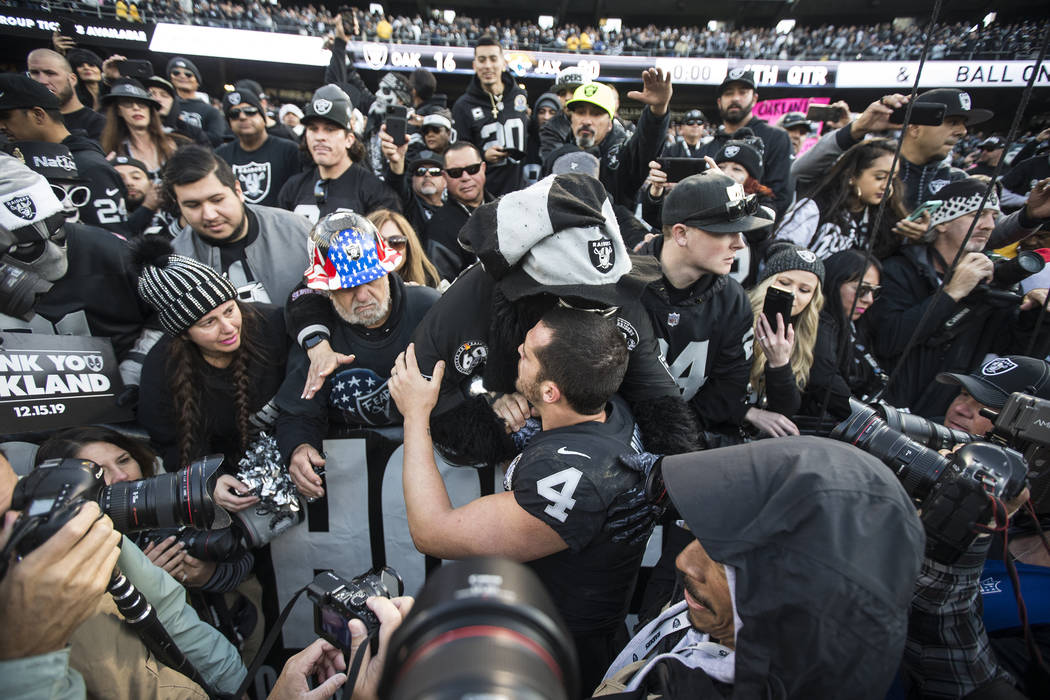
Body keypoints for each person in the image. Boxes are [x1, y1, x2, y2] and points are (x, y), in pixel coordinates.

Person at [277, 439, 927, 699]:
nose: (687, 563)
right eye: (699, 536)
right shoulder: (735, 623)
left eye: (730, 558)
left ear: (799, 601)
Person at [389, 307, 648, 692]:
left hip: (558, 661)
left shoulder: (570, 480)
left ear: (550, 391)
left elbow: (431, 531)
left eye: (526, 354)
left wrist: (415, 414)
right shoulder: (609, 408)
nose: (515, 354)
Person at [409, 173, 698, 468]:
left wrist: (670, 486)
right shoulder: (474, 298)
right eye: (577, 299)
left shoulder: (619, 294)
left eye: (604, 301)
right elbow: (423, 389)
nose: (596, 311)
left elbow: (659, 402)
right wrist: (488, 399)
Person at [0, 451, 248, 699]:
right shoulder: (23, 643)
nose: (16, 522)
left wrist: (236, 685)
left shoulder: (58, 519)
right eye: (1, 521)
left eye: (19, 504)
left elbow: (171, 614)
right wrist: (29, 654)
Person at [276, 211, 440, 499]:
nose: (363, 296)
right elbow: (297, 412)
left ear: (387, 271)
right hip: (353, 491)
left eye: (371, 279)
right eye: (348, 286)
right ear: (326, 291)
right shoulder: (319, 336)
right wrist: (300, 447)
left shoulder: (429, 309)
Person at [865, 177, 1050, 418]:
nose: (988, 226)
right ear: (942, 223)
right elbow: (889, 341)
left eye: (993, 218)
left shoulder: (990, 280)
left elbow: (1013, 350)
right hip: (889, 411)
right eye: (978, 215)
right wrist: (951, 293)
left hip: (947, 417)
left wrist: (1037, 316)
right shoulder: (898, 269)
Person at [0, 155, 157, 386]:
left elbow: (168, 310)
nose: (53, 254)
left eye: (56, 232)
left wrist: (136, 366)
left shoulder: (106, 248)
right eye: (24, 245)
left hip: (119, 398)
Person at [134, 237, 288, 472]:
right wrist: (209, 481)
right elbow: (172, 444)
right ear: (184, 334)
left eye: (229, 310)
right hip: (232, 474)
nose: (228, 327)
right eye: (208, 323)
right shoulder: (161, 371)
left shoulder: (272, 325)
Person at [793, 89, 991, 211]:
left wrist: (1023, 219)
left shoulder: (957, 181)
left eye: (963, 124)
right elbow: (799, 172)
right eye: (952, 122)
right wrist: (858, 128)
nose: (962, 132)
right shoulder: (865, 165)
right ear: (914, 127)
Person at [165, 144, 312, 304]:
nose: (209, 215)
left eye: (217, 200)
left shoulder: (298, 231)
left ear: (238, 190)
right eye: (193, 205)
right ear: (178, 205)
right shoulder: (176, 262)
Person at [0, 73, 129, 234]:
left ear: (38, 115)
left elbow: (115, 242)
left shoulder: (89, 166)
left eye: (5, 117)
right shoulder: (19, 163)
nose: (1, 126)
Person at [544, 71, 672, 208]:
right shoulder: (557, 156)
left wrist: (658, 110)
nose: (586, 121)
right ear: (572, 119)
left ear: (610, 124)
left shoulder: (623, 156)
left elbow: (646, 145)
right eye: (581, 112)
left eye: (596, 114)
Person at [277, 84, 400, 224]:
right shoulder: (293, 188)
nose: (320, 137)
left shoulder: (374, 191)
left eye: (330, 129)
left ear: (349, 139)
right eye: (313, 128)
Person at [776, 137, 909, 259]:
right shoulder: (816, 209)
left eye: (891, 179)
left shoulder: (885, 218)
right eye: (879, 177)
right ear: (852, 176)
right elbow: (780, 253)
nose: (886, 186)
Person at [745, 244, 828, 436]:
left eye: (804, 290)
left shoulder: (804, 334)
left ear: (813, 299)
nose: (793, 294)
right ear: (767, 282)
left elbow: (786, 410)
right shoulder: (740, 315)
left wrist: (779, 363)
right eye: (784, 282)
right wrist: (747, 413)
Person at [696, 70, 794, 218]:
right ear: (719, 102)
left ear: (754, 99)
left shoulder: (776, 138)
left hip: (755, 231)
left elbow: (779, 197)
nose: (735, 98)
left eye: (742, 92)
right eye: (729, 93)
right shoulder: (706, 149)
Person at [451, 36, 530, 196]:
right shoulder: (462, 106)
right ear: (474, 65)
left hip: (520, 192)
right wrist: (483, 156)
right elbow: (459, 156)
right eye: (482, 60)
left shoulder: (520, 96)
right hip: (484, 195)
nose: (487, 66)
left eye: (493, 59)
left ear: (503, 63)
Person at [819, 250, 887, 405]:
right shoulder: (820, 325)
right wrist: (868, 419)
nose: (869, 300)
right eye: (862, 290)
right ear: (834, 283)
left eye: (874, 292)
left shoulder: (856, 325)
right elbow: (824, 381)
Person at [216, 88, 301, 208]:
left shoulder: (289, 150)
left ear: (263, 115)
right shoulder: (220, 156)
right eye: (234, 114)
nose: (242, 117)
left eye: (249, 111)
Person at [423, 141, 491, 276]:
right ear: (444, 177)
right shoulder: (438, 228)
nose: (465, 177)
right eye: (455, 172)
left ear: (483, 168)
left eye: (472, 169)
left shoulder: (504, 209)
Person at [100, 79, 183, 177]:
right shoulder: (113, 152)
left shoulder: (177, 142)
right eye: (127, 103)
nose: (136, 108)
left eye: (142, 103)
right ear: (118, 111)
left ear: (150, 110)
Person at [26, 48, 105, 142]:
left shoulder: (98, 123)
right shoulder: (25, 120)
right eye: (34, 73)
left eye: (50, 73)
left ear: (72, 79)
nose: (41, 81)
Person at [367, 208, 442, 288]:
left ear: (409, 248)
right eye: (378, 242)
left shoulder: (431, 282)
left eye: (396, 242)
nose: (386, 248)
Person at [166, 56, 224, 146]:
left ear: (197, 81)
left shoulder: (211, 111)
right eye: (176, 73)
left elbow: (216, 138)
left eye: (188, 74)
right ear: (171, 78)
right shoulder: (165, 107)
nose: (182, 76)